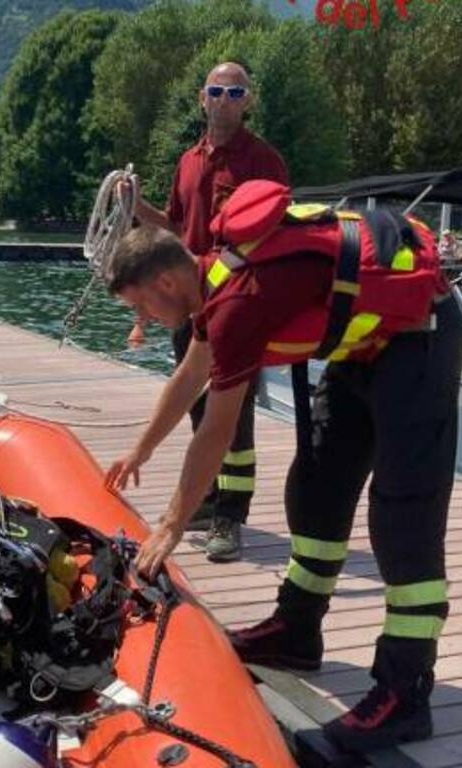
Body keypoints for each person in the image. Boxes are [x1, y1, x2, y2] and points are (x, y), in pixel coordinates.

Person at [104, 180, 462, 753]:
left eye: (140, 303)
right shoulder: (213, 280)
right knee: (316, 486)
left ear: (166, 280)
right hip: (362, 349)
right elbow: (189, 377)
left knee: (403, 516)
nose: (143, 317)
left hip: (420, 338)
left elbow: (216, 430)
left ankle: (405, 691)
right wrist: (141, 449)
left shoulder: (238, 305)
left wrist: (172, 524)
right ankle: (298, 630)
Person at [125, 61, 288, 563]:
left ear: (248, 100)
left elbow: (277, 236)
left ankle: (230, 516)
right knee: (198, 406)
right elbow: (174, 225)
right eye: (216, 91)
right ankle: (209, 498)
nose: (224, 99)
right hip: (191, 303)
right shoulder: (188, 161)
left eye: (234, 92)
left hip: (238, 306)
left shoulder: (264, 161)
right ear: (202, 98)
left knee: (233, 418)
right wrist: (136, 206)